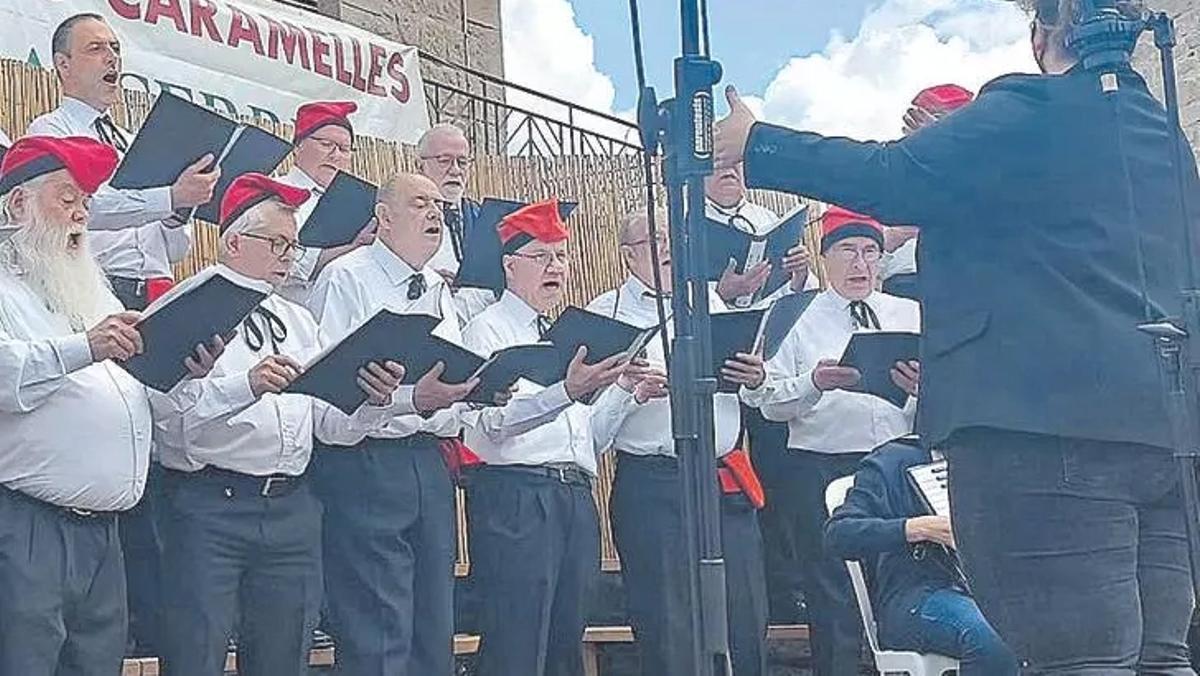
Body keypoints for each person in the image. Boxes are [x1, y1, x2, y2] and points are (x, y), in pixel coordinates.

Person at [715, 0, 1199, 670]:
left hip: (1043, 433)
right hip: (1162, 436)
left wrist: (757, 141)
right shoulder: (1161, 136)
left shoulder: (1028, 112)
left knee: (1080, 662)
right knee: (1160, 660)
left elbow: (892, 175)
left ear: (1044, 31)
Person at [147, 174, 412, 676]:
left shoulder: (297, 319)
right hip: (210, 503)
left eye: (293, 244)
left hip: (291, 503)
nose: (289, 255)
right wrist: (245, 386)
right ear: (233, 242)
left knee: (284, 655)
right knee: (196, 651)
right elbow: (168, 421)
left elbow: (329, 424)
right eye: (276, 243)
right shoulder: (187, 304)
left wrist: (372, 401)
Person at [28, 15, 220, 654]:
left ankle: (142, 617)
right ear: (61, 65)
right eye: (95, 49)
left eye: (116, 48)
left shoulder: (132, 137)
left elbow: (165, 239)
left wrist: (183, 207)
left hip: (147, 294)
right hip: (85, 294)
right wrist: (167, 195)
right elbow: (84, 207)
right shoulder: (48, 134)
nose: (112, 58)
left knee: (151, 448)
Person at [0, 135, 218, 676]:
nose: (79, 215)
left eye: (85, 203)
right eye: (65, 198)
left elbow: (134, 395)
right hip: (29, 528)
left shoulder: (93, 291)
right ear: (17, 205)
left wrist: (181, 370)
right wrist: (86, 347)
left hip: (105, 533)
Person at [461, 199, 646, 676]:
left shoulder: (568, 335)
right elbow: (487, 427)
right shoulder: (486, 331)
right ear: (509, 265)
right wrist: (566, 390)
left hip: (574, 497)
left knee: (568, 639)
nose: (555, 268)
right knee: (515, 640)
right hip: (517, 497)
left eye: (561, 257)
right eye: (541, 257)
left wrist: (625, 392)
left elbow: (589, 443)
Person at [307, 173, 480, 676]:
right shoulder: (347, 277)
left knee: (433, 621)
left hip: (428, 462)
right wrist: (409, 399)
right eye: (421, 204)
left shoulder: (439, 292)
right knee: (377, 628)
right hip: (365, 464)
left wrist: (466, 393)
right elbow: (328, 402)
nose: (436, 213)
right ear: (384, 216)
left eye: (439, 207)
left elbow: (446, 386)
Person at [587, 207, 771, 675]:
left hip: (720, 476)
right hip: (654, 481)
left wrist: (754, 378)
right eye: (653, 242)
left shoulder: (714, 304)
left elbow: (764, 394)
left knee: (743, 615)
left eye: (672, 239)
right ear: (628, 256)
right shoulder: (603, 315)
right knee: (667, 621)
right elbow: (586, 433)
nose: (667, 250)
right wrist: (630, 393)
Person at [740, 206, 921, 675]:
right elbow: (767, 400)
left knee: (905, 584)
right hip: (820, 466)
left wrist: (925, 390)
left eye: (869, 252)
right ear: (825, 258)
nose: (860, 264)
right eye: (847, 251)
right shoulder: (794, 316)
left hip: (897, 466)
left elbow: (951, 396)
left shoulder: (910, 313)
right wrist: (814, 382)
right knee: (832, 594)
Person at [825, 437, 1017, 675]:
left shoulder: (998, 459)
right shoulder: (894, 459)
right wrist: (917, 528)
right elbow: (840, 534)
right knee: (994, 634)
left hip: (996, 592)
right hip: (918, 595)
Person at [879, 84, 975, 297]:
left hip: (966, 286)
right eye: (923, 118)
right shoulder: (891, 174)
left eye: (940, 120)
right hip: (900, 291)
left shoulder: (986, 172)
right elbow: (859, 262)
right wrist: (895, 236)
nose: (927, 127)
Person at [276, 100, 374, 305]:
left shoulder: (358, 202)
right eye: (326, 145)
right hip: (286, 321)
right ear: (298, 145)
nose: (336, 155)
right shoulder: (273, 192)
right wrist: (352, 248)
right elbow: (277, 260)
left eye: (344, 149)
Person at [417, 123, 497, 324]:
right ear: (420, 166)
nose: (455, 170)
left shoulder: (483, 219)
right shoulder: (402, 219)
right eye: (444, 161)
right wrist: (426, 279)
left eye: (462, 162)